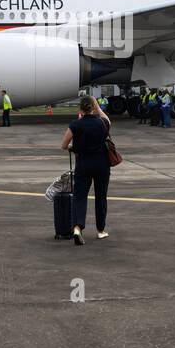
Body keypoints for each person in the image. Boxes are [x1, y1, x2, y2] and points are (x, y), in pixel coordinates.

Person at [61, 94, 112, 246]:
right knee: (101, 197)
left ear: (80, 109)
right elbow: (108, 121)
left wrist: (72, 147)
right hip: (102, 165)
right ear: (93, 107)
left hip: (83, 165)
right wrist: (98, 107)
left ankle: (77, 227)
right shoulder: (103, 122)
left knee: (80, 197)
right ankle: (101, 230)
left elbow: (64, 145)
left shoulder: (75, 125)